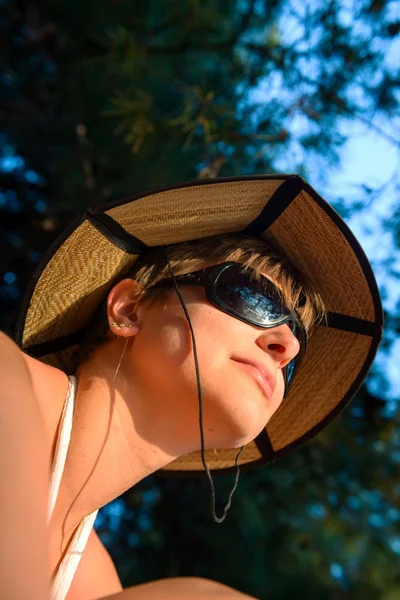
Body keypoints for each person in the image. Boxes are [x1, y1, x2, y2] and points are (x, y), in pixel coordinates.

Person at [1, 175, 383, 600]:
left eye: (298, 343)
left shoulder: (91, 580)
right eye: (255, 298)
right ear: (129, 310)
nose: (287, 346)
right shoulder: (7, 381)